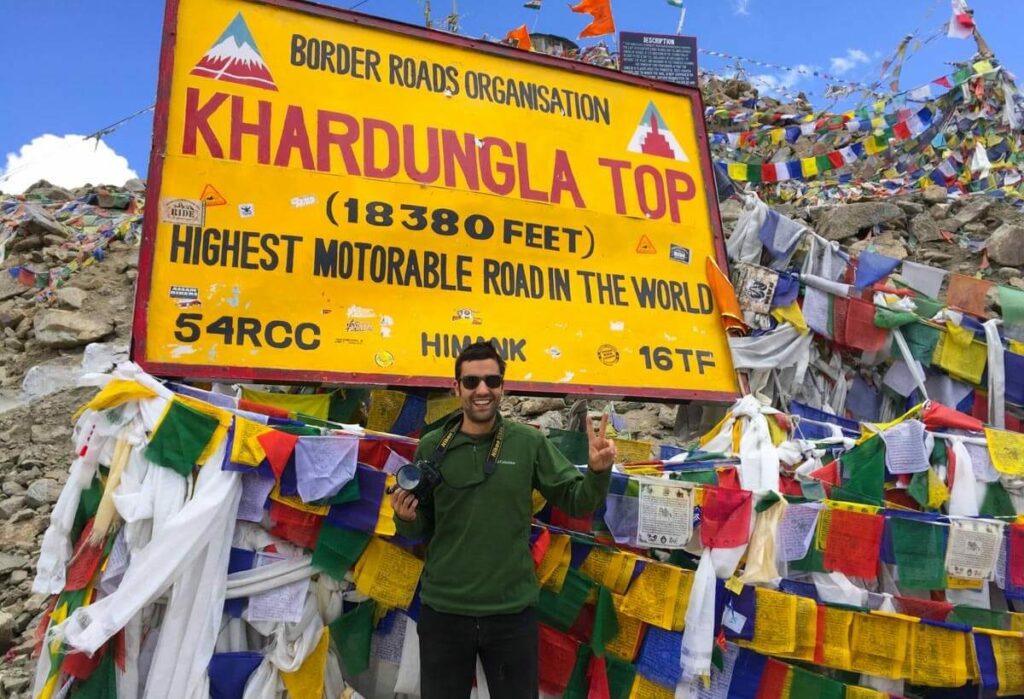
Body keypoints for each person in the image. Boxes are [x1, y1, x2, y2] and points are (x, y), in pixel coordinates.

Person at [391, 341, 616, 699]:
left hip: (511, 613)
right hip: (445, 611)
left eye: (491, 381)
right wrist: (405, 518)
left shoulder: (527, 443)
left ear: (502, 386)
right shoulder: (432, 445)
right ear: (456, 388)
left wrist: (598, 472)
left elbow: (576, 500)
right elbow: (422, 529)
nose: (482, 390)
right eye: (471, 382)